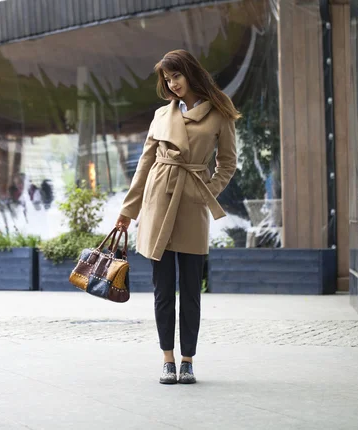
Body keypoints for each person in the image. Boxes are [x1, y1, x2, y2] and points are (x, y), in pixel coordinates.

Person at [115, 49, 240, 385]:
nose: (172, 84)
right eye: (167, 80)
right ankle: (167, 360)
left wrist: (206, 192)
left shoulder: (219, 113)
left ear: (191, 73)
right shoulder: (160, 116)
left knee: (191, 288)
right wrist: (128, 211)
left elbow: (227, 163)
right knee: (162, 290)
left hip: (192, 204)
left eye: (176, 76)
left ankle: (188, 361)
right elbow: (144, 165)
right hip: (158, 201)